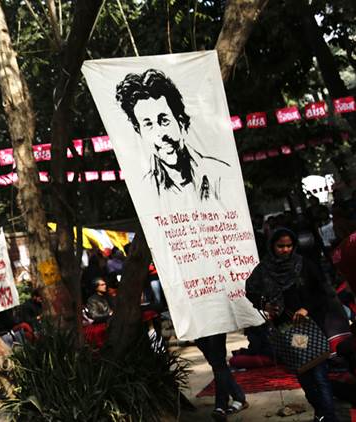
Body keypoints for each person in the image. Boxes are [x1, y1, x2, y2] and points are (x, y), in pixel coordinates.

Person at [246, 228, 355, 422]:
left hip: (310, 325)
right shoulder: (264, 269)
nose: (286, 250)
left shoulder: (304, 265)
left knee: (319, 374)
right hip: (285, 329)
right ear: (272, 246)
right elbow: (251, 290)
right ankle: (321, 411)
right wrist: (266, 305)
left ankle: (328, 416)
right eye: (281, 246)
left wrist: (306, 308)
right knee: (304, 376)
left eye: (289, 245)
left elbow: (322, 292)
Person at [115, 69, 231, 200]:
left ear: (181, 122)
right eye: (148, 125)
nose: (160, 134)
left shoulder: (221, 174)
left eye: (164, 121)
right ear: (139, 132)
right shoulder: (145, 191)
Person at [194, 333, 249, 421]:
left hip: (214, 324)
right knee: (217, 363)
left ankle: (221, 406)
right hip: (197, 325)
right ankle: (239, 397)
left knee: (217, 362)